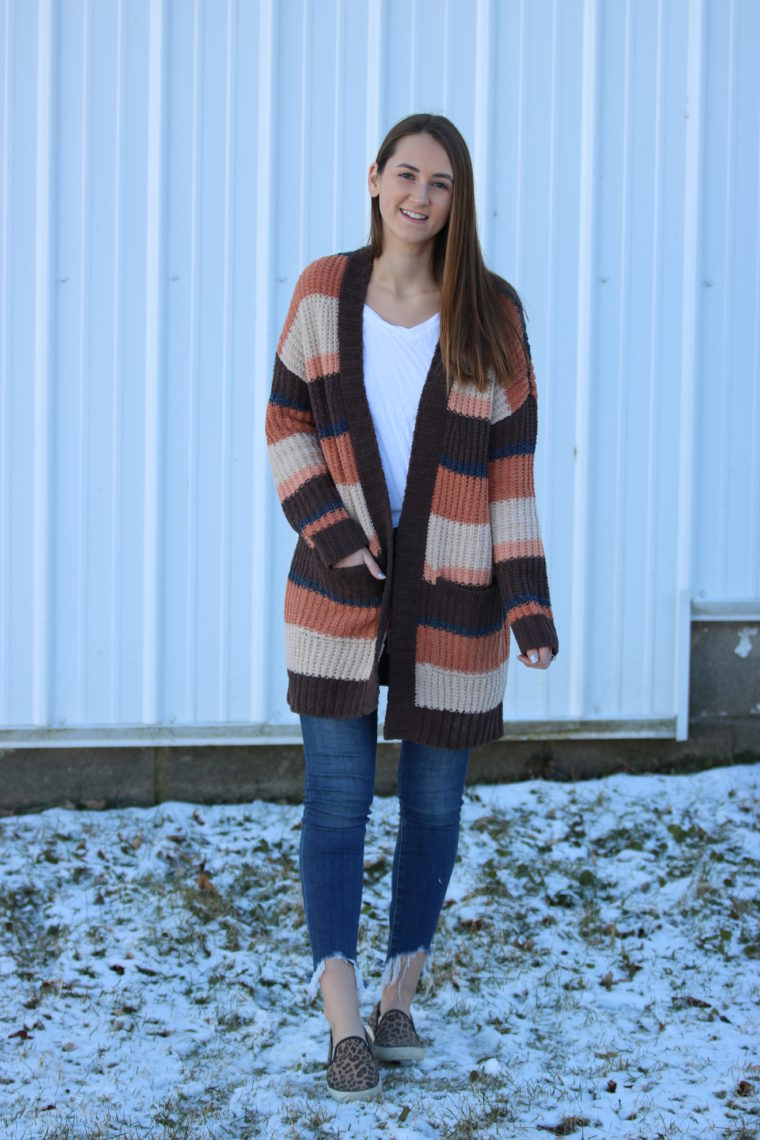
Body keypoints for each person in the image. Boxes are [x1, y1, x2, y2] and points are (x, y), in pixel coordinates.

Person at [265, 113, 558, 1102]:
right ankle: (343, 1021)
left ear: (457, 200)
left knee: (433, 806)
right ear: (374, 179)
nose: (421, 197)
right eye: (406, 175)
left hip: (455, 601)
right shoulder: (321, 292)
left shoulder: (493, 312)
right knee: (337, 805)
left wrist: (527, 603)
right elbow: (285, 423)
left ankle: (402, 993)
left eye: (440, 183)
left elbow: (511, 473)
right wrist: (338, 541)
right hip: (336, 597)